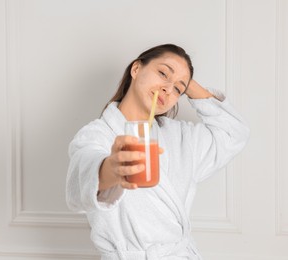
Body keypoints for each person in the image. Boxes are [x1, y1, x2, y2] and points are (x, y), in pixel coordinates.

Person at [66, 44, 249, 259]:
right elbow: (82, 176)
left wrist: (187, 83)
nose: (168, 89)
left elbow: (234, 133)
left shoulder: (181, 137)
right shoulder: (98, 134)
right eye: (163, 73)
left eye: (179, 89)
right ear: (136, 69)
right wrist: (111, 169)